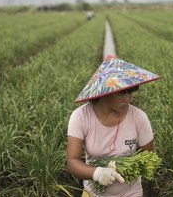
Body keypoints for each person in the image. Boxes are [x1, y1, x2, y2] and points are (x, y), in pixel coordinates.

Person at [67, 58, 160, 197]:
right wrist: (97, 173)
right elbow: (72, 161)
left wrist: (121, 167)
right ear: (105, 91)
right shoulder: (80, 116)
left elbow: (148, 159)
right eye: (121, 93)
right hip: (94, 193)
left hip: (130, 193)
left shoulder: (139, 118)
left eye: (130, 91)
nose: (127, 98)